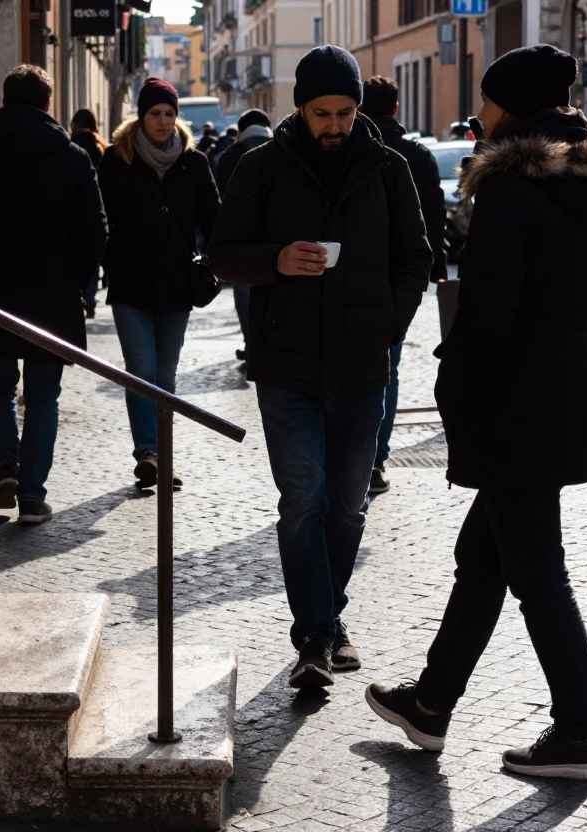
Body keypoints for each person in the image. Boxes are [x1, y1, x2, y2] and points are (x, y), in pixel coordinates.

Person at [366, 45, 587, 780]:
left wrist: (453, 388)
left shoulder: (509, 189)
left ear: (511, 109)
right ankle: (431, 703)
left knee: (538, 574)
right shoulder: (586, 184)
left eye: (486, 101)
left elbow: (486, 314)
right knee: (483, 559)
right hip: (568, 389)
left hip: (516, 404)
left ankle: (581, 732)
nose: (478, 114)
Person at [207, 46, 431, 688]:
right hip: (288, 365)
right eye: (322, 113)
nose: (334, 125)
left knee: (347, 506)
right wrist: (276, 261)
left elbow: (417, 258)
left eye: (344, 112)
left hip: (363, 363)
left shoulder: (388, 169)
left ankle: (328, 623)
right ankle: (314, 637)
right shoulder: (261, 168)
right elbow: (222, 254)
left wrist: (389, 325)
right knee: (303, 501)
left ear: (358, 108)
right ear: (300, 108)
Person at [0, 65, 107, 525]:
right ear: (48, 104)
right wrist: (79, 282)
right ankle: (32, 496)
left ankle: (5, 470)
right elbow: (96, 230)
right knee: (43, 395)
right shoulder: (73, 158)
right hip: (53, 296)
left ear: (5, 101)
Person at [98, 78, 220, 488]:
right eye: (155, 113)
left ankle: (163, 456)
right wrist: (109, 259)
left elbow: (214, 220)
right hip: (129, 283)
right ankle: (148, 452)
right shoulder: (117, 158)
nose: (164, 121)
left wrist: (214, 263)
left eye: (170, 113)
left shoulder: (194, 162)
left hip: (177, 285)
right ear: (141, 116)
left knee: (165, 376)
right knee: (141, 369)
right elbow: (99, 218)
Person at [358, 76, 449, 494]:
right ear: (396, 108)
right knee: (387, 368)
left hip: (354, 271)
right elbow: (434, 216)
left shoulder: (353, 150)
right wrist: (437, 266)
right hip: (399, 277)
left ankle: (351, 458)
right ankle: (375, 461)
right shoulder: (417, 154)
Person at [214, 109, 275, 362]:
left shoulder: (231, 155)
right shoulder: (282, 150)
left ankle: (251, 342)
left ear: (241, 130)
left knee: (244, 292)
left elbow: (220, 196)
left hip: (242, 238)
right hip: (276, 236)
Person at [71, 108, 109, 319]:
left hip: (74, 209)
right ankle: (90, 297)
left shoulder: (69, 146)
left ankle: (82, 294)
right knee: (94, 254)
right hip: (99, 204)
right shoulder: (100, 146)